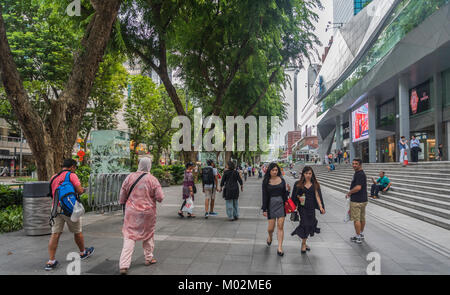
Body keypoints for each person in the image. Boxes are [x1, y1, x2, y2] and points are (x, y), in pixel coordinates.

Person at [45, 159, 94, 271]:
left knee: (55, 234)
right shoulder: (72, 176)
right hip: (69, 208)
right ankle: (83, 252)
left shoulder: (54, 177)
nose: (75, 169)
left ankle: (51, 261)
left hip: (55, 208)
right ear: (72, 167)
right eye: (75, 167)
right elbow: (79, 190)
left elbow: (52, 193)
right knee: (77, 231)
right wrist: (82, 190)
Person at [118, 158, 164, 275]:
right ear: (149, 166)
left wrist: (123, 202)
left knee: (129, 237)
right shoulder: (153, 180)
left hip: (131, 213)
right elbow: (160, 197)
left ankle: (124, 265)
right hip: (148, 213)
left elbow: (122, 194)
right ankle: (149, 258)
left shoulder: (130, 177)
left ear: (139, 165)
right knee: (148, 234)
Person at [290, 166, 325, 253]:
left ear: (312, 174)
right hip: (302, 208)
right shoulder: (298, 184)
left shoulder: (315, 184)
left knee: (310, 224)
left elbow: (317, 196)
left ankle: (304, 242)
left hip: (311, 207)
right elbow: (295, 195)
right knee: (305, 224)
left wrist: (321, 207)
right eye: (306, 173)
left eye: (310, 173)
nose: (308, 175)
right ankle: (303, 244)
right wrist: (299, 197)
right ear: (303, 174)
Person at [261, 163, 291, 256]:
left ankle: (280, 248)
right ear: (269, 171)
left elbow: (284, 194)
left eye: (276, 170)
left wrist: (288, 191)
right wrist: (264, 209)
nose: (275, 172)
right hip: (271, 205)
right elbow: (264, 196)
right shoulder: (266, 181)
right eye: (273, 170)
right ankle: (270, 237)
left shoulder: (282, 180)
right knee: (270, 228)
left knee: (280, 226)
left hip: (281, 204)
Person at [346, 159, 368, 244]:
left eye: (356, 164)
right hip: (363, 199)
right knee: (362, 218)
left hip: (357, 200)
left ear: (360, 165)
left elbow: (358, 187)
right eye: (353, 163)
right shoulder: (360, 173)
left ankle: (358, 236)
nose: (354, 165)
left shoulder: (359, 174)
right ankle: (361, 234)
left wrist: (349, 193)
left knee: (356, 219)